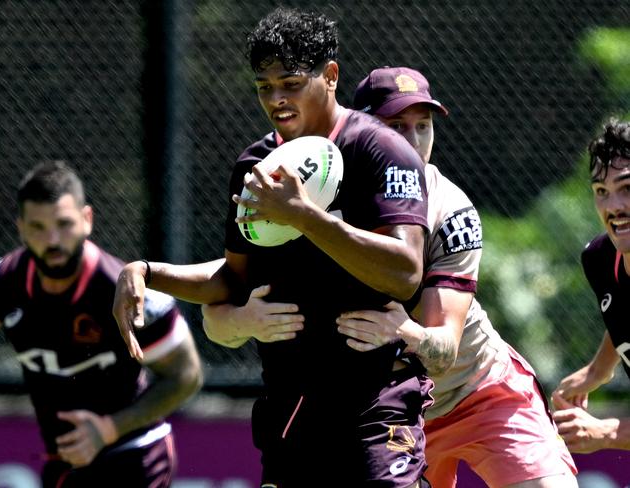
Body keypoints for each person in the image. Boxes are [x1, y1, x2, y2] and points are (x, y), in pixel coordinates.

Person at [204, 66, 580, 487]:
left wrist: (407, 333)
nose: (413, 141)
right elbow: (219, 307)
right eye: (397, 126)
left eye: (424, 126)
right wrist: (238, 320)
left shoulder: (452, 211)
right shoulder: (304, 201)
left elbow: (445, 351)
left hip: (479, 389)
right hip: (389, 411)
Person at [114, 7, 433, 487]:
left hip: (375, 399)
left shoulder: (380, 151)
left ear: (330, 76)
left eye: (290, 82)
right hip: (292, 406)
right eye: (264, 87)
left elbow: (404, 272)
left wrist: (303, 215)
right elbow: (232, 280)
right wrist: (146, 272)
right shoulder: (255, 167)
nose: (276, 99)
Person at [0, 161, 203, 488]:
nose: (53, 240)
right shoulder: (0, 283)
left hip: (135, 454)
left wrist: (109, 429)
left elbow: (187, 375)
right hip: (64, 461)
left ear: (87, 220)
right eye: (38, 227)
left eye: (64, 224)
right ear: (21, 228)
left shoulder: (121, 291)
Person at [551, 118, 630, 454]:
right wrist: (598, 369)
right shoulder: (600, 260)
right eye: (602, 192)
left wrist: (608, 433)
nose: (613, 207)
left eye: (627, 188)